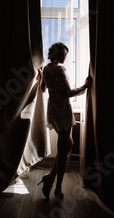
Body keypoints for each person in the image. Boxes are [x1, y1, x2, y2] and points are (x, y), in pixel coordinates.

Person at [37, 42, 92, 200]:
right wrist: (85, 86)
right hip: (62, 111)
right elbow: (68, 92)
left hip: (53, 109)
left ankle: (49, 178)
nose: (64, 57)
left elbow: (42, 89)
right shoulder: (60, 70)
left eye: (65, 54)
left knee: (68, 145)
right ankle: (57, 188)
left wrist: (42, 76)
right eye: (62, 54)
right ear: (54, 54)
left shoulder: (47, 69)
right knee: (62, 151)